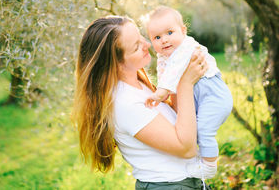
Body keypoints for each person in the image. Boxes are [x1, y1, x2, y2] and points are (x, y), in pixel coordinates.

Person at [73, 15, 213, 189]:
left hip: (185, 182)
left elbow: (180, 122)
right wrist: (185, 83)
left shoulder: (139, 85)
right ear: (117, 63)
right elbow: (186, 148)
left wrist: (175, 75)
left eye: (140, 37)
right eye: (136, 46)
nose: (147, 44)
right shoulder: (125, 103)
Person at [144, 6, 233, 179]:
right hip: (201, 98)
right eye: (157, 37)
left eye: (170, 32)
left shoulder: (186, 47)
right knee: (193, 129)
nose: (164, 40)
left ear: (183, 31)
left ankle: (209, 167)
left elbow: (174, 70)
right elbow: (164, 74)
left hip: (214, 96)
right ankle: (201, 158)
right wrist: (163, 91)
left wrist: (161, 93)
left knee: (204, 130)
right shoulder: (164, 56)